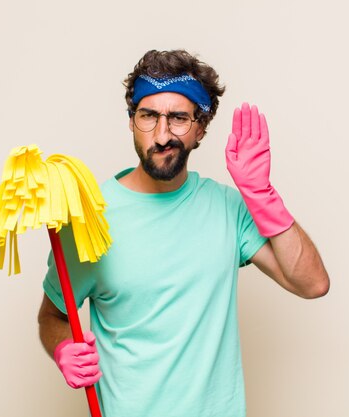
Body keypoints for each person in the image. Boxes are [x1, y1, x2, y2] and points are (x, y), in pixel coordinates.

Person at [38, 49, 329, 417]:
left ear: (200, 128)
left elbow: (312, 283)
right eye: (148, 116)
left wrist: (262, 195)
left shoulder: (227, 208)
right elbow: (52, 316)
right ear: (131, 121)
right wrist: (64, 349)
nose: (162, 135)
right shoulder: (91, 217)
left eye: (178, 118)